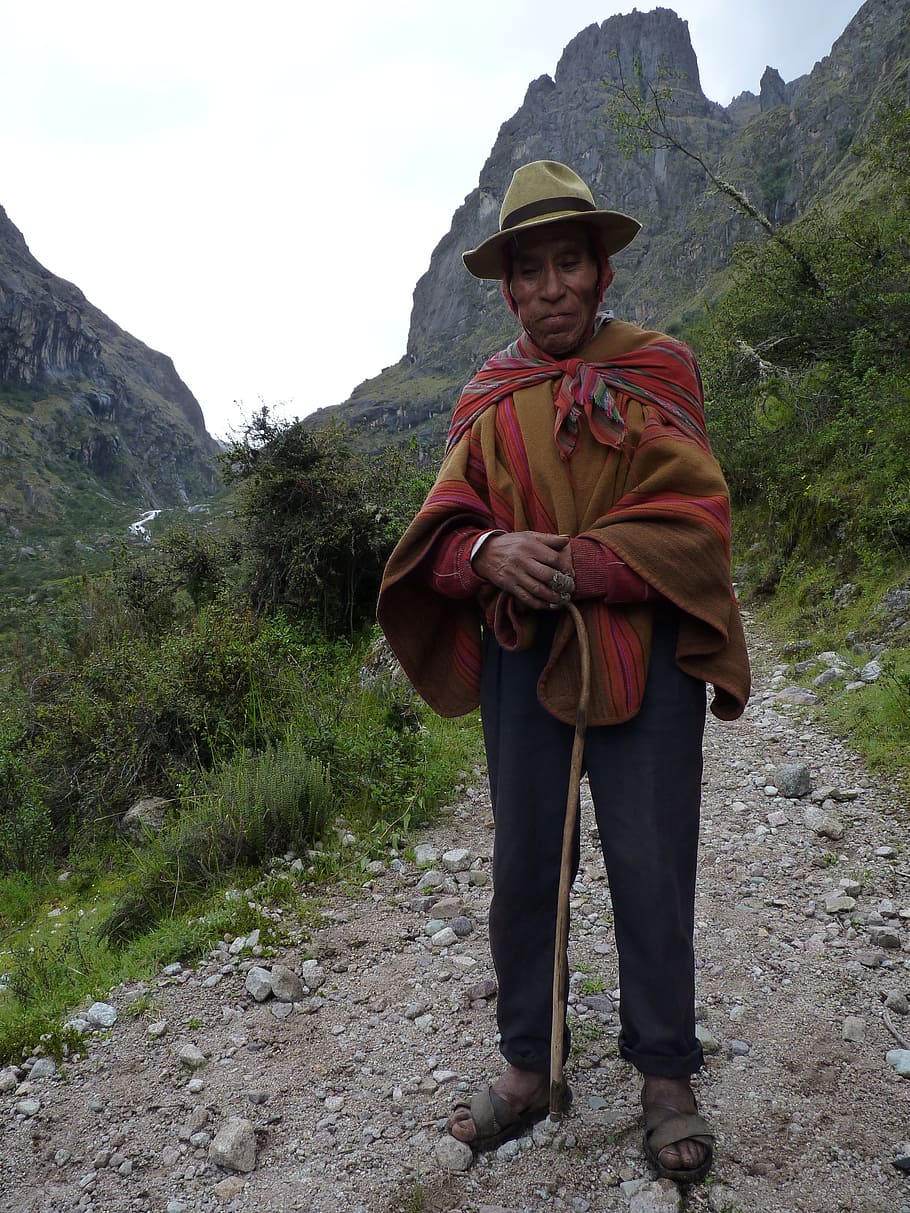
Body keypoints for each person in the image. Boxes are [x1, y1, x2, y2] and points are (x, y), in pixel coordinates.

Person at [377, 160, 750, 1184]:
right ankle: (529, 1065)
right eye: (529, 270)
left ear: (600, 270)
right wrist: (490, 554)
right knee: (527, 864)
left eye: (567, 263)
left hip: (649, 660)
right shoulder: (487, 397)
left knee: (649, 858)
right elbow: (440, 538)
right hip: (522, 661)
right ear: (507, 289)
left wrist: (583, 560)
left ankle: (667, 1073)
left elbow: (697, 521)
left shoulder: (659, 372)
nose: (550, 287)